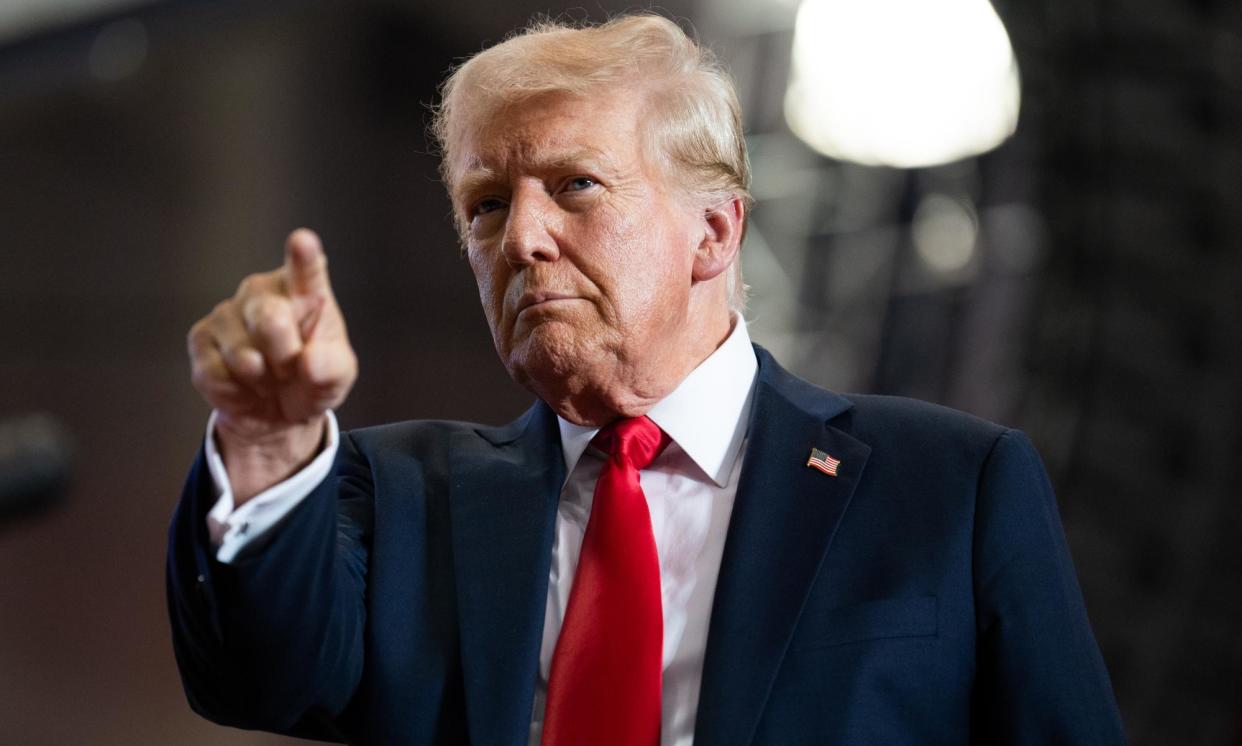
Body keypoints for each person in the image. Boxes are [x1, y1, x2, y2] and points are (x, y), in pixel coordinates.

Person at [167, 13, 1126, 746]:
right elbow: (259, 676)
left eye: (575, 185)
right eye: (487, 204)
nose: (523, 239)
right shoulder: (400, 498)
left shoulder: (950, 487)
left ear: (713, 231)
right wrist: (266, 443)